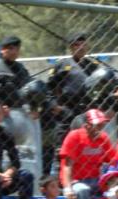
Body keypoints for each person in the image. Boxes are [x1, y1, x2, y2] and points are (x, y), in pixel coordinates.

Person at [45, 32, 98, 175]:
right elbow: (49, 88)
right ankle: (57, 181)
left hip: (87, 113)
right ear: (71, 47)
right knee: (61, 148)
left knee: (85, 146)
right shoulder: (62, 65)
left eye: (83, 44)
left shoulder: (93, 66)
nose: (80, 47)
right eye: (76, 44)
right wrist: (54, 106)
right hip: (66, 111)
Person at [59, 108, 115, 199]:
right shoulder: (75, 136)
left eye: (102, 125)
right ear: (86, 125)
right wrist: (68, 188)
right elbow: (67, 166)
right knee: (83, 191)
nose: (100, 129)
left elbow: (114, 161)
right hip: (76, 181)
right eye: (97, 125)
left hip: (96, 181)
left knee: (117, 193)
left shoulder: (103, 138)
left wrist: (114, 184)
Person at [0, 35, 30, 108]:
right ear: (2, 50)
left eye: (17, 49)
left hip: (20, 109)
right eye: (11, 48)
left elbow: (29, 86)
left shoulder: (21, 68)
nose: (14, 52)